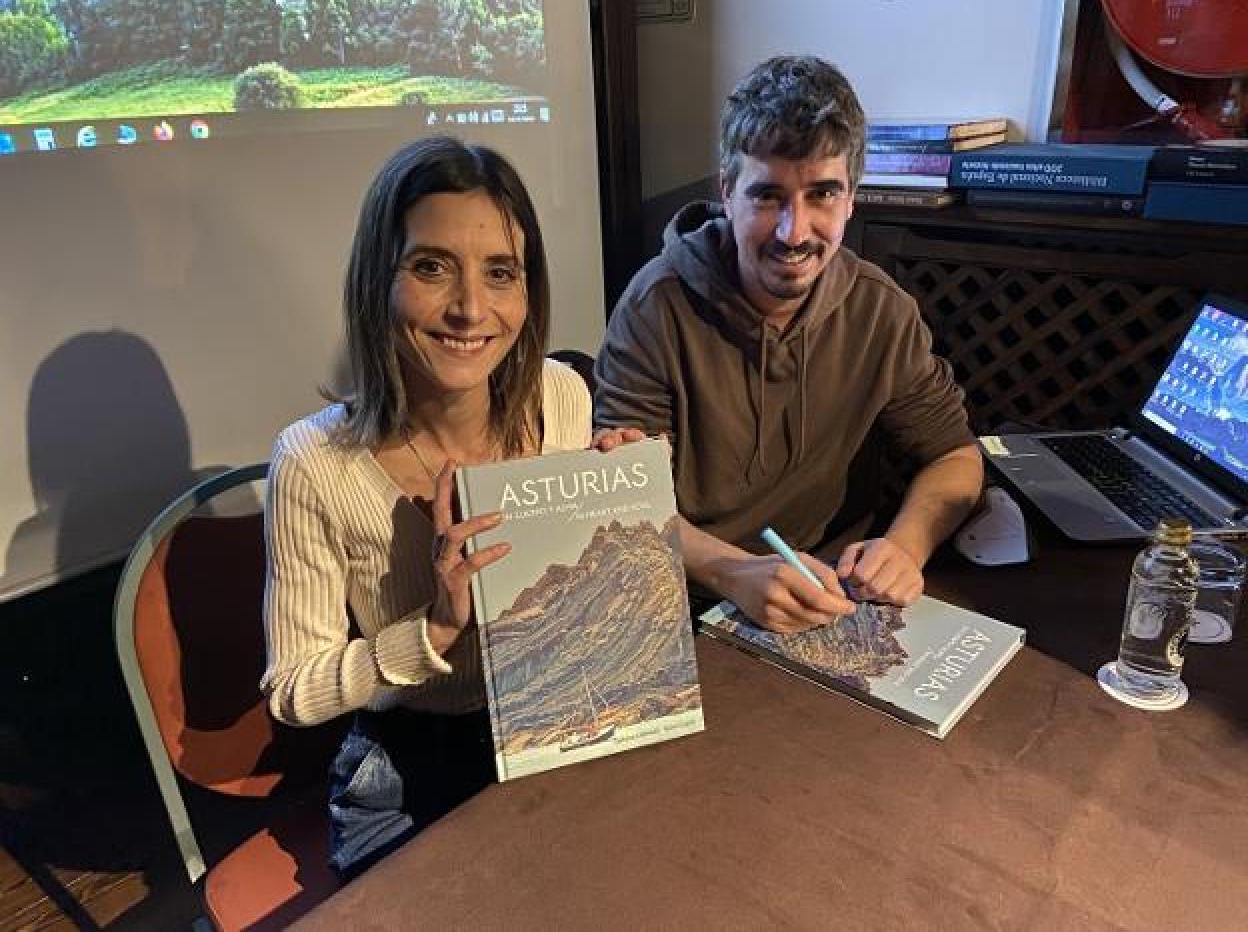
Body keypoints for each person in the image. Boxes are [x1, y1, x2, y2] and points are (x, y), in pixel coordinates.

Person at [261, 137, 607, 877]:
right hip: (408, 759)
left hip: (552, 716)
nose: (470, 309)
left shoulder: (564, 398)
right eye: (430, 267)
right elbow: (292, 691)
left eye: (500, 273)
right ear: (377, 281)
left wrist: (617, 508)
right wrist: (435, 629)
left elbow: (573, 598)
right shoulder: (313, 463)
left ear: (528, 291)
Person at [594, 56, 983, 633]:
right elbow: (623, 504)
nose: (794, 233)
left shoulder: (880, 309)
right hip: (691, 594)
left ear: (852, 197)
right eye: (768, 196)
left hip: (838, 590)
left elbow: (956, 456)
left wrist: (906, 545)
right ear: (727, 192)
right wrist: (733, 572)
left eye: (822, 194)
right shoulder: (656, 306)